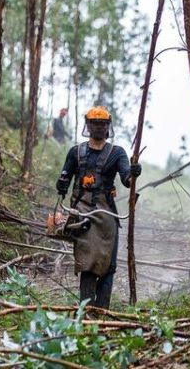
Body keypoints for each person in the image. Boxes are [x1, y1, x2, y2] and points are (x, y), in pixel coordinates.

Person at [55, 106, 141, 309]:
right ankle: (86, 312)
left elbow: (127, 180)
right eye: (94, 124)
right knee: (87, 263)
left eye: (102, 124)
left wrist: (133, 173)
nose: (99, 128)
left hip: (106, 216)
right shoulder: (76, 152)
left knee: (108, 266)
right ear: (88, 126)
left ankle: (103, 313)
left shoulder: (117, 153)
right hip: (82, 215)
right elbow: (64, 179)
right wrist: (62, 184)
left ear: (108, 127)